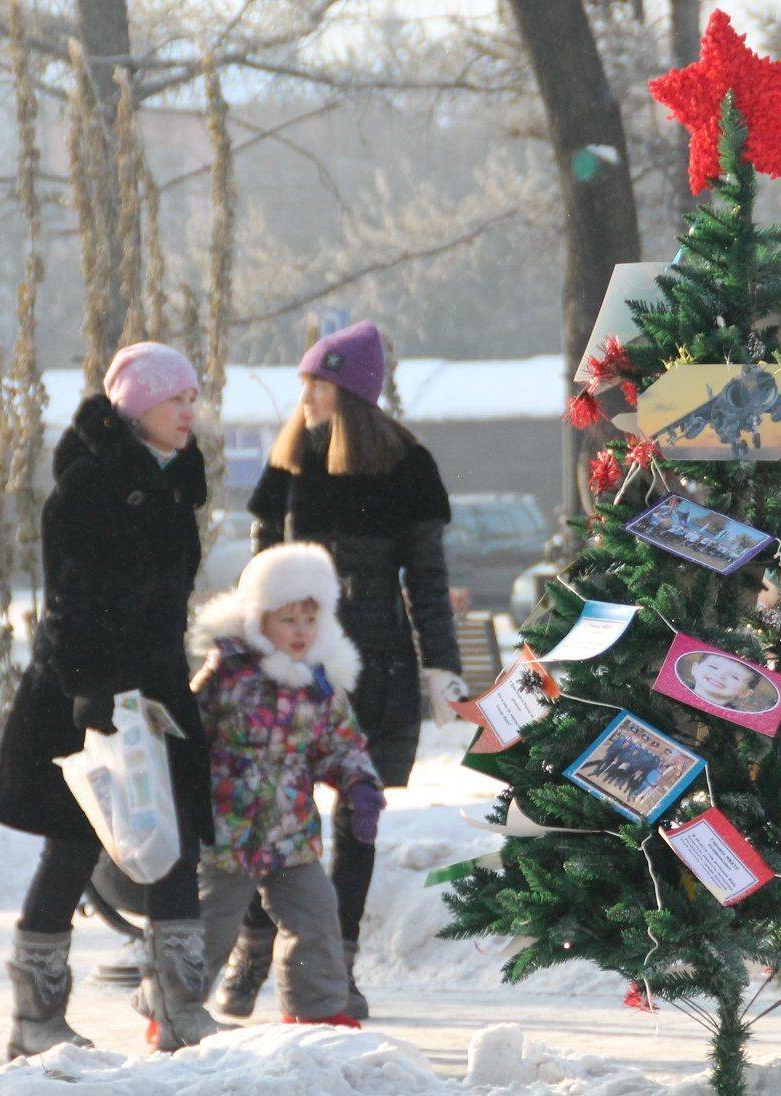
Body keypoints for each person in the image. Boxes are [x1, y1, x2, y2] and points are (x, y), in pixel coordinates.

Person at [219, 320, 466, 1021]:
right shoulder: (289, 462)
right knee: (278, 809)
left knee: (359, 818)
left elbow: (427, 580)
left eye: (317, 385)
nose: (305, 398)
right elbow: (257, 576)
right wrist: (243, 653)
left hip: (378, 665)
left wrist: (441, 668)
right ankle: (253, 949)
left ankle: (336, 966)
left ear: (351, 392)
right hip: (294, 666)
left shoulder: (406, 466)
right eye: (303, 384)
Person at [0, 342, 227, 1056]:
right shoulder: (91, 485)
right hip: (85, 692)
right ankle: (35, 1019)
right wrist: (91, 689)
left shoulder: (173, 483)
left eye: (192, 398)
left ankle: (180, 1007)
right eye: (174, 398)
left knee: (176, 841)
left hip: (156, 690)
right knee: (74, 844)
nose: (188, 412)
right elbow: (72, 601)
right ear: (136, 405)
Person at [188, 543, 385, 1028]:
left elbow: (342, 743)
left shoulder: (319, 686)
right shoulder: (229, 675)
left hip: (291, 829)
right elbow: (191, 731)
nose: (300, 632)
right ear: (259, 620)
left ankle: (316, 1008)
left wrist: (360, 784)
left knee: (316, 915)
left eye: (309, 621)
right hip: (227, 828)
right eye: (288, 620)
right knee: (210, 924)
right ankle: (175, 1006)